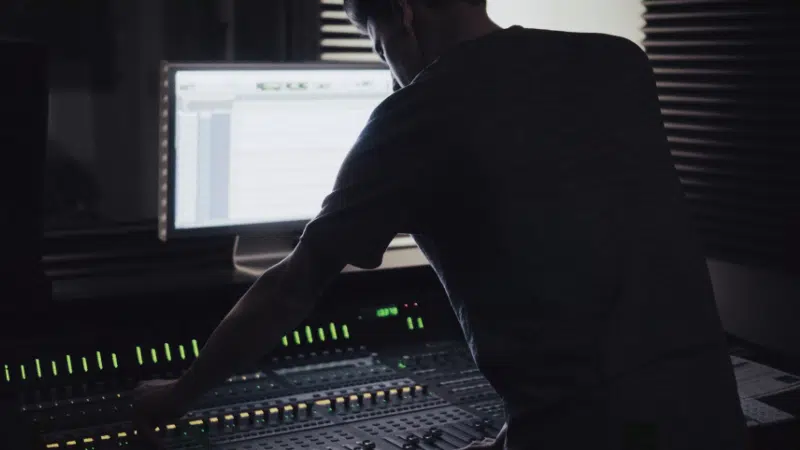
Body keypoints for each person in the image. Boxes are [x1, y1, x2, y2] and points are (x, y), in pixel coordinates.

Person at [133, 1, 749, 448]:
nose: (382, 57)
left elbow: (294, 285)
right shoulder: (617, 62)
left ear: (401, 15)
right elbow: (588, 267)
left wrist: (175, 397)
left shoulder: (418, 113)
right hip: (714, 418)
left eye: (371, 38)